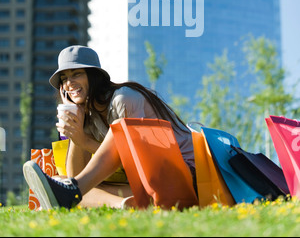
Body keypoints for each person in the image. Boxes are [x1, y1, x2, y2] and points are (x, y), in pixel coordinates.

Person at [23, 45, 196, 209]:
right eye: (64, 79)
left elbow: (137, 162)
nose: (69, 83)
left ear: (94, 76)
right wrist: (78, 131)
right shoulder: (88, 114)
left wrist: (84, 140)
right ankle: (124, 205)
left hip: (185, 178)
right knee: (60, 181)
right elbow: (75, 176)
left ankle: (70, 195)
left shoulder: (124, 99)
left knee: (120, 129)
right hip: (153, 185)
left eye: (76, 74)